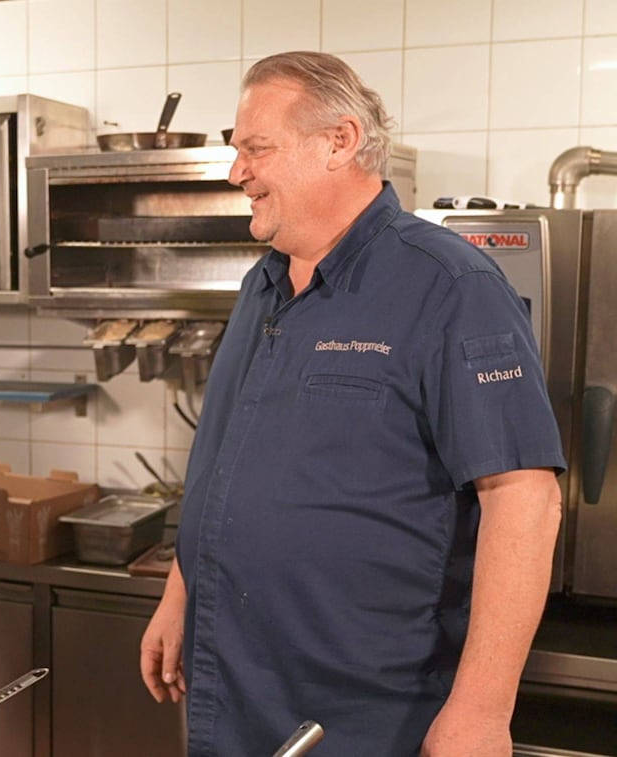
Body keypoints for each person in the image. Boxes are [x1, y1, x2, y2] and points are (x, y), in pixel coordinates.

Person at [140, 51, 564, 756]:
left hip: (366, 717)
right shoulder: (263, 287)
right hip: (233, 693)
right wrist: (179, 594)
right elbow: (224, 462)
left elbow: (524, 498)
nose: (235, 172)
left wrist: (484, 712)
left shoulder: (450, 285)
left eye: (255, 149)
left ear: (338, 141)